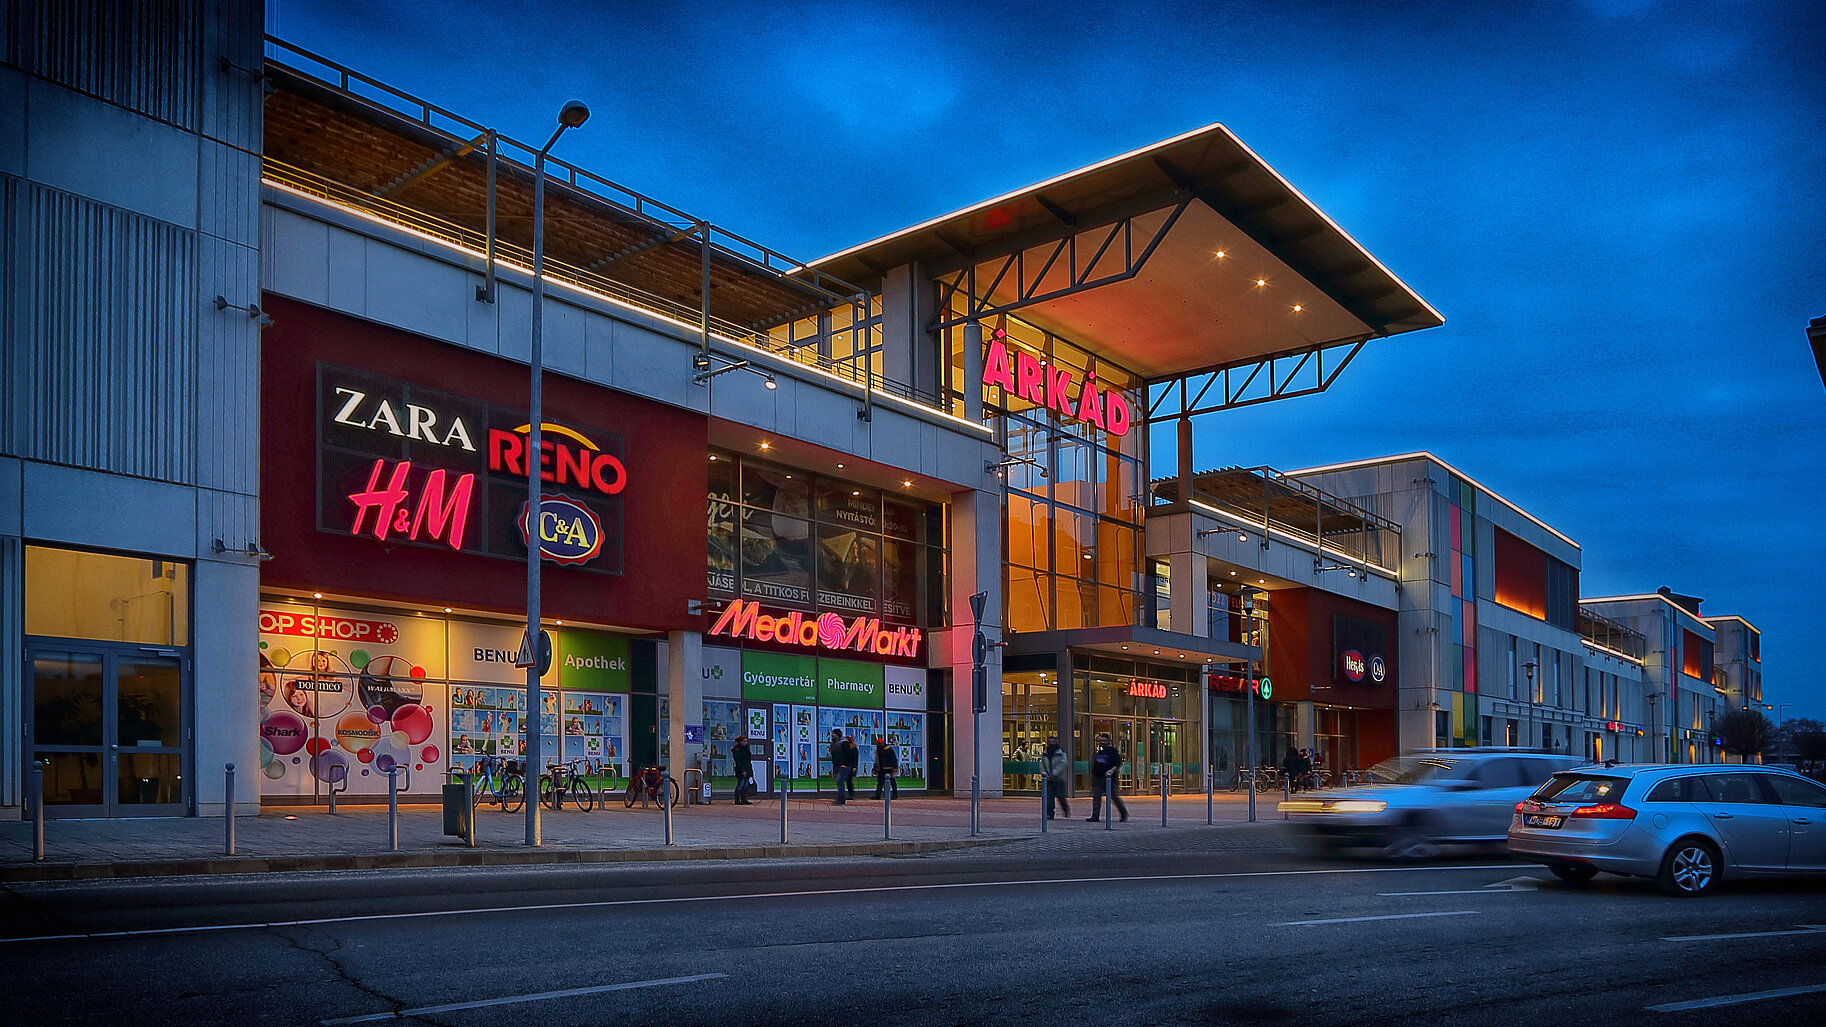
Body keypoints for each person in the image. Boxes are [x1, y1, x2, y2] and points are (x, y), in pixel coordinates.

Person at [1087, 733, 1128, 822]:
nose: (1102, 742)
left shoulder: (1112, 751)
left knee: (1113, 796)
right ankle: (1095, 816)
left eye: (1104, 741)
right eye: (1101, 741)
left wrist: (1111, 771)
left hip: (1110, 779)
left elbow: (1117, 763)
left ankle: (1123, 812)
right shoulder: (1099, 752)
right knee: (1096, 796)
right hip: (1098, 778)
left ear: (1108, 741)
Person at [1041, 736, 1070, 819]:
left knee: (1061, 796)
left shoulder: (1061, 754)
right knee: (1049, 797)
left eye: (1053, 742)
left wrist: (1055, 773)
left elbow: (1063, 764)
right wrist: (1045, 774)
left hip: (1059, 779)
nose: (1051, 744)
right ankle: (1050, 813)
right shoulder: (1045, 754)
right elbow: (1042, 765)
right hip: (1048, 779)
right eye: (1049, 742)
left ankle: (1065, 809)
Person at [732, 736, 754, 805]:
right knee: (740, 785)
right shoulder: (737, 750)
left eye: (746, 741)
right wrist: (743, 770)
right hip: (741, 769)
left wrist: (750, 771)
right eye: (744, 741)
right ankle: (737, 800)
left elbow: (748, 761)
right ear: (740, 742)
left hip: (747, 768)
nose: (746, 743)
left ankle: (744, 799)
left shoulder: (746, 749)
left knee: (745, 785)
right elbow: (739, 761)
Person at [829, 729, 849, 805]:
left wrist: (845, 764)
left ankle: (841, 800)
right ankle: (840, 798)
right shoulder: (833, 744)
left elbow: (849, 754)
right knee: (839, 783)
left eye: (833, 733)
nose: (832, 735)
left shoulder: (844, 743)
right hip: (836, 765)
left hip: (843, 766)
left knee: (840, 782)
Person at [842, 734, 861, 801]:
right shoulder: (847, 748)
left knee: (849, 780)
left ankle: (851, 794)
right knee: (848, 781)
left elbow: (855, 759)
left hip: (851, 767)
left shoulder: (853, 749)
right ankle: (850, 793)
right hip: (847, 766)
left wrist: (854, 767)